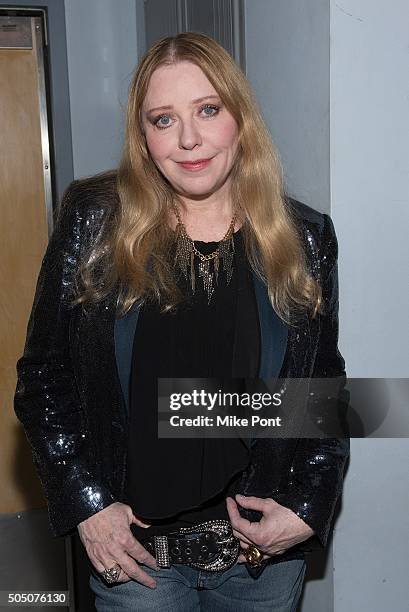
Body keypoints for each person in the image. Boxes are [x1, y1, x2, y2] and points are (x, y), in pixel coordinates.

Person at [14, 32, 349, 611]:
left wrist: (307, 505)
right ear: (143, 137)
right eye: (163, 119)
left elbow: (319, 389)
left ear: (239, 119)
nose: (188, 139)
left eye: (207, 110)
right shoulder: (95, 221)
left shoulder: (303, 238)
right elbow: (44, 377)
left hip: (258, 562)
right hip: (137, 562)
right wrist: (88, 503)